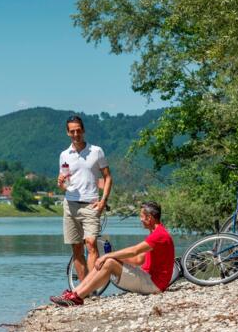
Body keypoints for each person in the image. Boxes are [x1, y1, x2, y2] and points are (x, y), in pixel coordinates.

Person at [50, 201, 175, 306]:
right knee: (108, 260)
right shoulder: (156, 234)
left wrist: (108, 255)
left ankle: (78, 297)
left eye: (141, 216)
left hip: (153, 284)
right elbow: (138, 260)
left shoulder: (159, 235)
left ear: (149, 218)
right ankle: (75, 292)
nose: (140, 219)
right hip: (148, 279)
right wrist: (114, 257)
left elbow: (134, 251)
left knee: (109, 261)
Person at [56, 115, 112, 293]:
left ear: (83, 131)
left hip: (91, 204)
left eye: (78, 130)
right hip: (70, 204)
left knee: (91, 243)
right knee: (77, 249)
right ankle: (85, 293)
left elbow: (108, 177)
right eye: (72, 131)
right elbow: (65, 185)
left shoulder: (96, 151)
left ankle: (88, 288)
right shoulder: (64, 155)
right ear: (67, 133)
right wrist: (60, 184)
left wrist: (103, 201)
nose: (75, 134)